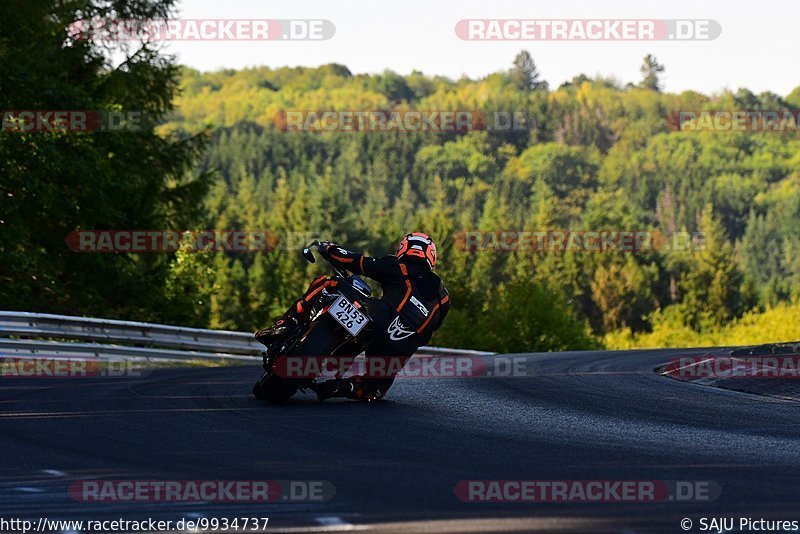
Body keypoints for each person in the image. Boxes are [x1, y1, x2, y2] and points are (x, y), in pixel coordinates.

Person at [255, 232, 450, 401]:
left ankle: (285, 324)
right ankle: (342, 386)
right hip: (400, 348)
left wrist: (328, 249)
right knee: (375, 389)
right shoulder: (444, 299)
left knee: (329, 284)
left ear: (403, 250)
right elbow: (429, 332)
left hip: (379, 317)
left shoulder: (398, 267)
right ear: (431, 257)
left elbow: (357, 262)